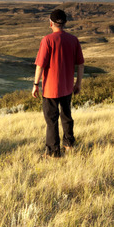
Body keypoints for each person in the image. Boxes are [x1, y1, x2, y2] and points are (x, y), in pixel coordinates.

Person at [32, 9, 85, 158]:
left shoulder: (47, 40)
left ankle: (53, 152)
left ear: (50, 23)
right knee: (67, 116)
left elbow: (40, 65)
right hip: (68, 88)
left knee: (51, 121)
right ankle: (69, 145)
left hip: (50, 89)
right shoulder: (73, 40)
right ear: (65, 23)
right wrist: (78, 84)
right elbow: (80, 64)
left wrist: (35, 84)